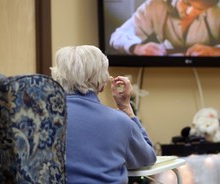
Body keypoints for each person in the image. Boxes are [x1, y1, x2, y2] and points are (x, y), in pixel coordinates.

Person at [50, 45, 156, 184]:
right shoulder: (120, 122)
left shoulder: (40, 119)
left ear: (58, 76)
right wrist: (125, 107)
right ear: (102, 83)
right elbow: (146, 159)